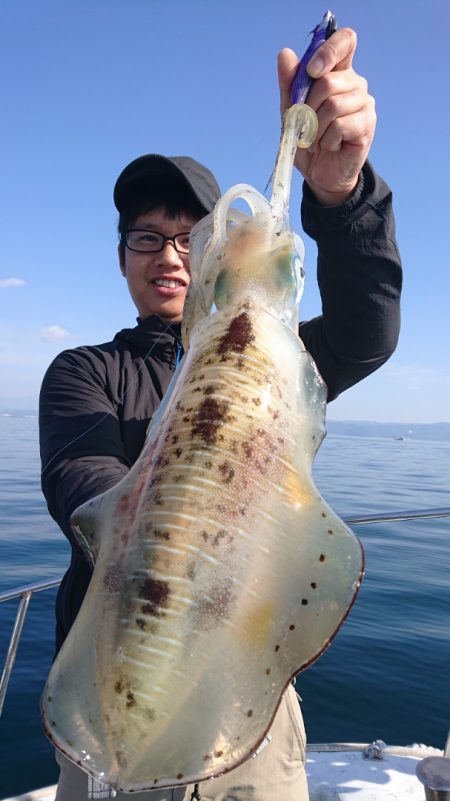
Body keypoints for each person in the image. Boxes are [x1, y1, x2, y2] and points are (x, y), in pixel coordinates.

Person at [39, 26, 402, 801]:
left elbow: (367, 331)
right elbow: (82, 480)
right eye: (147, 237)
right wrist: (186, 499)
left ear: (213, 248)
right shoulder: (85, 372)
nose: (170, 255)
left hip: (245, 710)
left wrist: (341, 195)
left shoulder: (281, 364)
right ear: (122, 256)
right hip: (118, 676)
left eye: (188, 235)